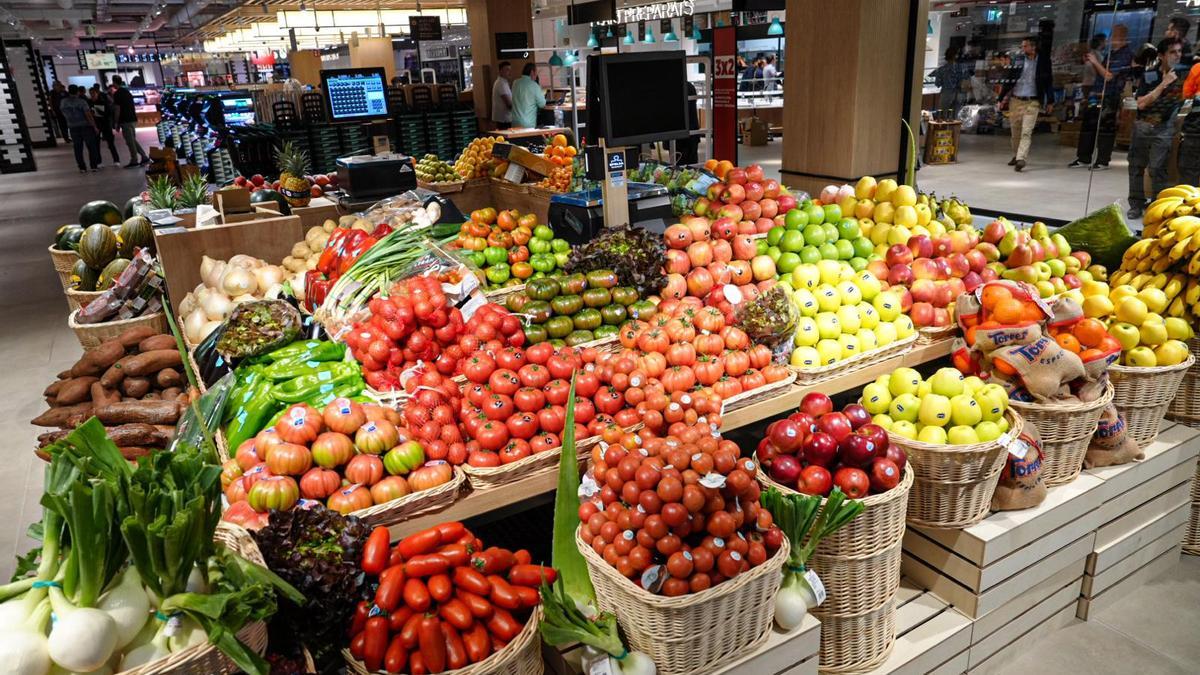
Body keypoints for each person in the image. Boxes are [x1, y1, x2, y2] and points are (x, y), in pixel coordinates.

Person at [1127, 37, 1186, 220]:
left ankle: (1157, 206)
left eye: (1179, 51)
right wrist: (1163, 85)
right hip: (1144, 125)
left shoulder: (1183, 76)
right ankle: (1136, 204)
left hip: (1165, 127)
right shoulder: (1149, 74)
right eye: (1172, 52)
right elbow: (1142, 103)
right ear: (1161, 55)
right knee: (1136, 166)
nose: (1177, 55)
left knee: (1158, 168)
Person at [1072, 24, 1133, 170]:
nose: (1111, 39)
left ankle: (1102, 159)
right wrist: (1093, 64)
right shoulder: (1110, 54)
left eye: (1114, 35)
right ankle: (1084, 157)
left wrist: (1095, 62)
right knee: (1089, 125)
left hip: (1109, 95)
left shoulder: (1125, 55)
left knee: (1106, 128)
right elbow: (1102, 73)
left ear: (1121, 37)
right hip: (1096, 93)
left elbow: (1109, 76)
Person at [999, 36, 1052, 172]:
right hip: (1016, 100)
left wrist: (1050, 100)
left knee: (1026, 131)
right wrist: (1001, 98)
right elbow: (1009, 79)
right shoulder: (1018, 60)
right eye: (1022, 46)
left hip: (1032, 101)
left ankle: (1021, 158)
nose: (1023, 49)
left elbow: (1048, 82)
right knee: (1015, 132)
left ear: (1033, 47)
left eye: (1025, 46)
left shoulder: (1044, 62)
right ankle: (1016, 155)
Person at [60, 85, 102, 173]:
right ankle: (94, 166)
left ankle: (82, 167)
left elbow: (63, 113)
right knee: (91, 146)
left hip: (72, 126)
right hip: (85, 126)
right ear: (78, 92)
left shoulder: (63, 102)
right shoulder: (81, 102)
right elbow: (88, 114)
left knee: (77, 148)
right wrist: (94, 126)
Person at [111, 76, 149, 167]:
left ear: (114, 82)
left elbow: (117, 109)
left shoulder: (117, 94)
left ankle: (134, 160)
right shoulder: (127, 92)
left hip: (125, 120)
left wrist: (116, 122)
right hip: (132, 118)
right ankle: (144, 157)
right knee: (132, 140)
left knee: (130, 141)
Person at [88, 85, 121, 167]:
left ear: (97, 93)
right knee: (96, 145)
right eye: (91, 93)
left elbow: (108, 114)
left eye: (94, 93)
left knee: (111, 144)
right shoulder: (89, 102)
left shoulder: (103, 101)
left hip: (105, 125)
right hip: (96, 125)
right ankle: (99, 161)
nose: (92, 95)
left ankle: (116, 160)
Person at [510, 63, 546, 129]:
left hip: (515, 122)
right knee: (528, 139)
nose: (536, 75)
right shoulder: (534, 85)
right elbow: (542, 104)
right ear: (532, 72)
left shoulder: (515, 83)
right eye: (536, 73)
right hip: (528, 124)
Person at [932, 47, 964, 115]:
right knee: (955, 117)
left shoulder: (941, 70)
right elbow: (963, 82)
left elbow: (937, 84)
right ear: (956, 56)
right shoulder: (961, 69)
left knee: (943, 116)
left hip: (946, 95)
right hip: (958, 94)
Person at [1080, 33, 1107, 101]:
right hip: (1092, 84)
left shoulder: (1092, 53)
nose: (1106, 43)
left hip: (1088, 83)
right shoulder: (1096, 55)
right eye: (1105, 41)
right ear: (1101, 42)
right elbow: (1101, 71)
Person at [491, 61, 514, 130]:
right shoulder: (501, 83)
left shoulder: (504, 82)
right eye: (507, 69)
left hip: (505, 118)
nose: (509, 72)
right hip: (503, 120)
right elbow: (508, 103)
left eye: (510, 70)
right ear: (500, 71)